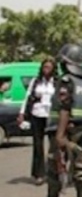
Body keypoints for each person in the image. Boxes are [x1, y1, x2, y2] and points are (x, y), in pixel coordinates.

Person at [38, 44, 82, 197]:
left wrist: (60, 135)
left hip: (64, 131)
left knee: (55, 170)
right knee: (81, 170)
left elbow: (64, 107)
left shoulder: (65, 81)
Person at [18, 57, 57, 186]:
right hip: (37, 113)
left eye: (49, 67)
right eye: (45, 67)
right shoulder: (36, 82)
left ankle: (53, 172)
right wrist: (22, 113)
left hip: (51, 115)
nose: (46, 70)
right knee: (38, 145)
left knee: (54, 144)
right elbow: (27, 97)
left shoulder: (56, 82)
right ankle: (39, 174)